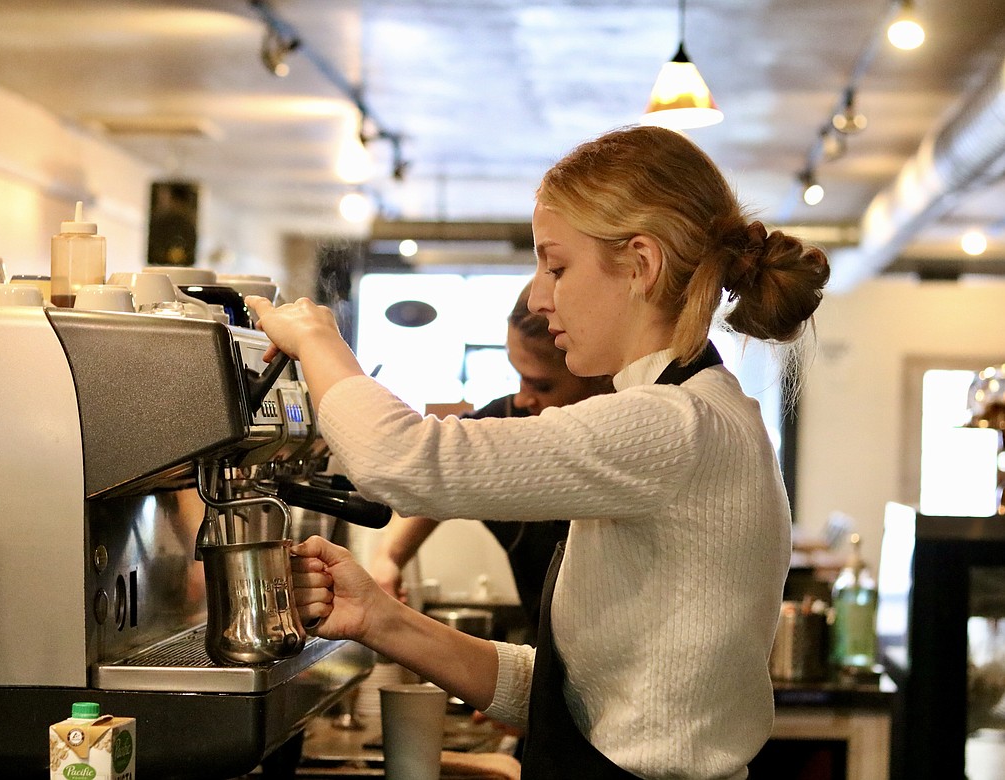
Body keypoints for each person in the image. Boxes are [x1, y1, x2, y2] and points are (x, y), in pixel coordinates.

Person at [245, 124, 829, 780]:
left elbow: (400, 458)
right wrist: (380, 618)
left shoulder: (673, 426)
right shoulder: (694, 416)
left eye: (556, 264)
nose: (537, 296)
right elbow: (566, 698)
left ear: (641, 265)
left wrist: (318, 338)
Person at [368, 279, 611, 641]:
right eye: (518, 377)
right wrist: (389, 558)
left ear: (602, 375)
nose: (524, 398)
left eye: (541, 385)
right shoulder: (510, 418)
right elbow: (442, 472)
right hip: (550, 659)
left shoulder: (628, 439)